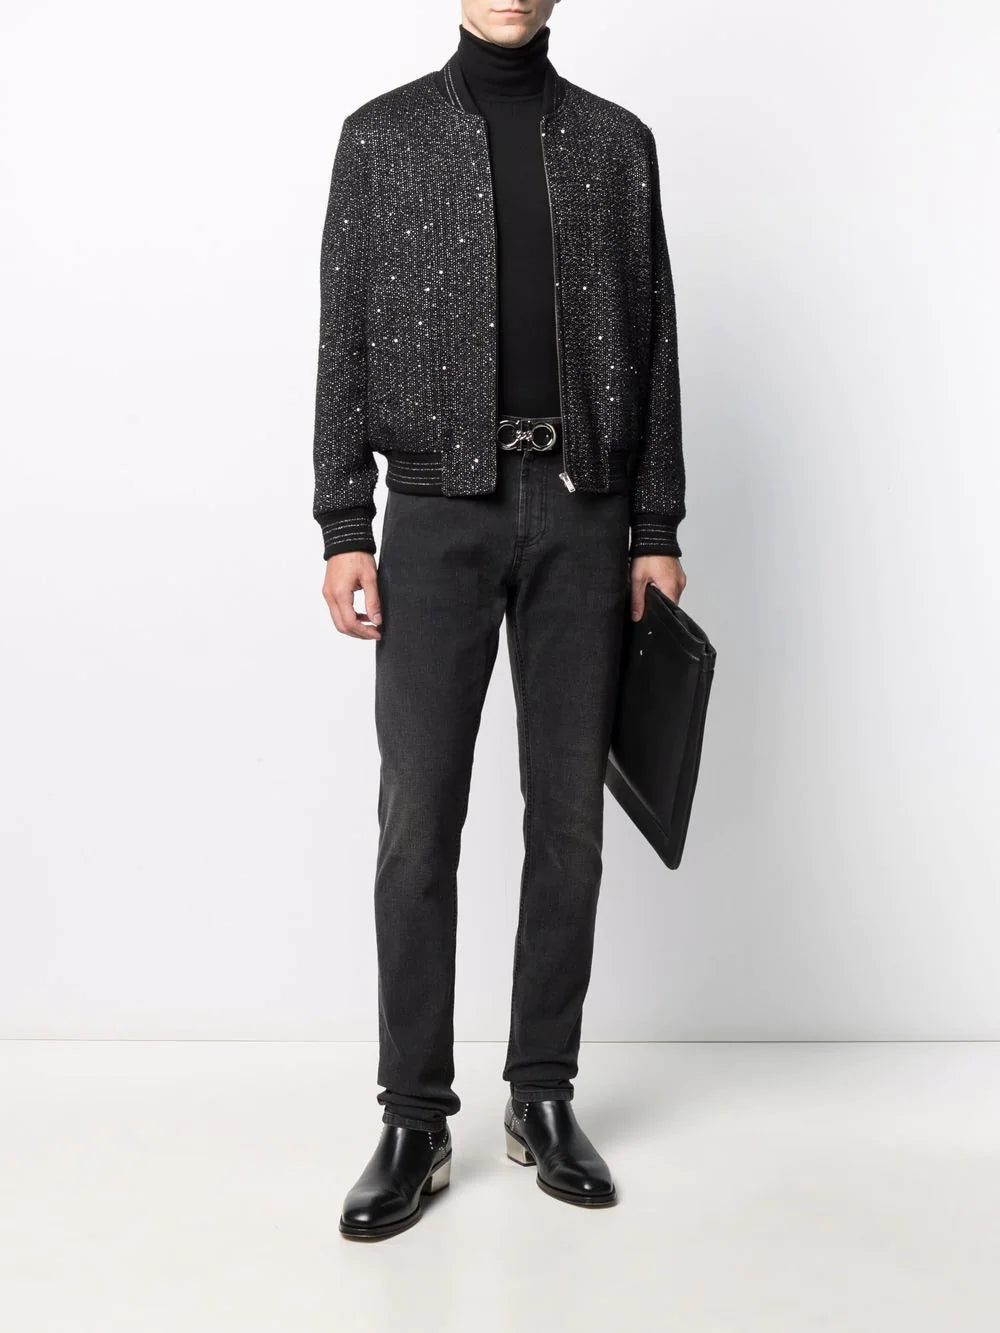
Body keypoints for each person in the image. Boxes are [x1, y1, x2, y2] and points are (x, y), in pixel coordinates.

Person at [313, 0, 687, 1241]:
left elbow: (655, 342)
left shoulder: (616, 145)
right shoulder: (381, 138)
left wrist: (655, 526)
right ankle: (415, 1117)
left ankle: (541, 1092)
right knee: (418, 820)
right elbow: (342, 339)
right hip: (434, 517)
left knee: (568, 820)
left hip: (585, 515)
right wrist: (343, 523)